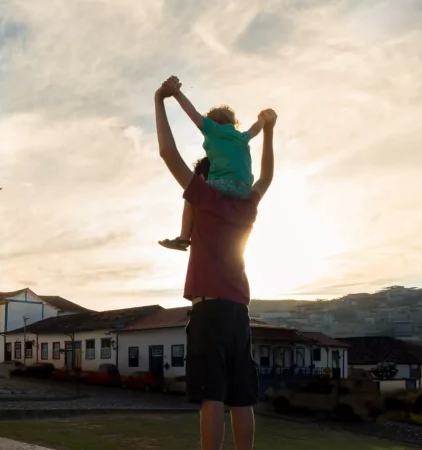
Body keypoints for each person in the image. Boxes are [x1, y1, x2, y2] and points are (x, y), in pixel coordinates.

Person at [154, 75, 277, 450]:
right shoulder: (248, 204)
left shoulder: (204, 197)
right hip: (240, 311)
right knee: (242, 397)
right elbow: (267, 175)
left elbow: (167, 153)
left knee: (213, 395)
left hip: (208, 310)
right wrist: (268, 131)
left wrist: (160, 99)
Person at [159, 82, 265, 251]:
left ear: (212, 120)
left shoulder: (212, 129)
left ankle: (184, 237)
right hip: (245, 189)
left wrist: (177, 93)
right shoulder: (241, 137)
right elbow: (254, 129)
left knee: (192, 193)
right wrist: (263, 120)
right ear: (233, 122)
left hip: (223, 184)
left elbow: (191, 113)